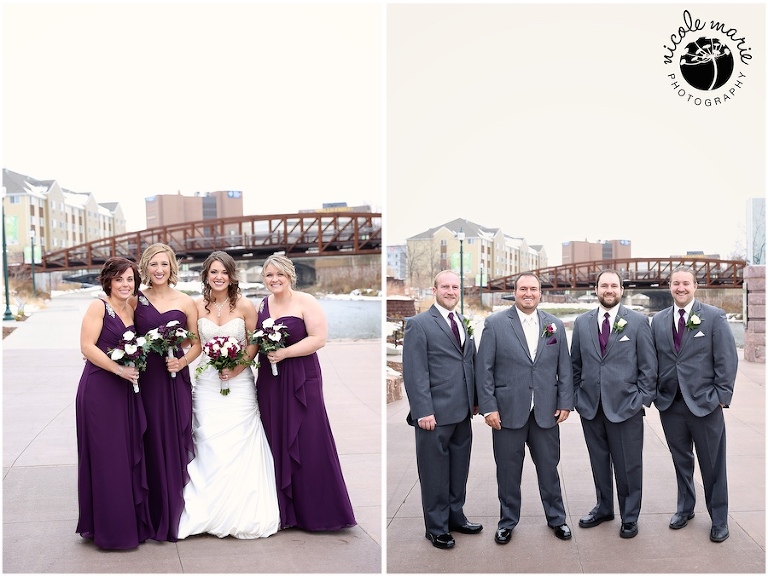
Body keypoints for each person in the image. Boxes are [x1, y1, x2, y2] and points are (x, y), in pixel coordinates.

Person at [177, 251, 280, 539]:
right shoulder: (197, 307)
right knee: (208, 439)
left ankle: (241, 510)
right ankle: (206, 510)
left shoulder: (246, 306)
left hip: (240, 384)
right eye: (213, 272)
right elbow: (191, 341)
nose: (218, 277)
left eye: (223, 272)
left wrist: (237, 368)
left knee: (240, 439)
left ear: (232, 275)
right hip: (208, 382)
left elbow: (253, 344)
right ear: (206, 276)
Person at [255, 253, 356, 531]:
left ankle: (320, 512)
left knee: (309, 436)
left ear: (290, 276)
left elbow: (319, 339)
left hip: (302, 378)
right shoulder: (262, 304)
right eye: (269, 275)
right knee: (276, 435)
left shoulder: (305, 301)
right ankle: (286, 511)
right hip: (270, 380)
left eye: (280, 275)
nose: (274, 280)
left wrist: (285, 352)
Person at [476, 272, 573, 544]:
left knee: (549, 469)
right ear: (514, 292)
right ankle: (507, 521)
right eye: (522, 289)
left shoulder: (554, 325)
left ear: (540, 293)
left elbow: (563, 367)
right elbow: (484, 370)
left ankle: (557, 519)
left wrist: (565, 401)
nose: (528, 293)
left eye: (533, 289)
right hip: (507, 413)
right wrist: (489, 408)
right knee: (507, 471)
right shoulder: (495, 324)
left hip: (546, 411)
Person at [651, 265, 737, 543]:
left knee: (712, 465)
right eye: (676, 283)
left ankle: (719, 519)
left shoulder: (713, 317)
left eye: (686, 283)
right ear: (669, 287)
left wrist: (721, 397)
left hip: (705, 404)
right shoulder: (659, 320)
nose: (681, 288)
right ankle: (685, 508)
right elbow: (656, 360)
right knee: (681, 461)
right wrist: (655, 394)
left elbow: (727, 360)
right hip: (671, 404)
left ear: (695, 286)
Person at [570, 269, 657, 539]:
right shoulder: (582, 323)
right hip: (591, 406)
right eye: (604, 285)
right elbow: (575, 364)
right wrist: (576, 396)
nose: (609, 290)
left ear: (622, 290)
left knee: (628, 465)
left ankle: (629, 516)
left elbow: (649, 366)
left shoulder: (639, 321)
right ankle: (604, 507)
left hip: (626, 407)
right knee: (598, 462)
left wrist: (640, 398)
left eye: (614, 286)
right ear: (595, 289)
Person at [401, 270, 482, 550]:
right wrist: (423, 410)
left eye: (455, 287)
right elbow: (415, 371)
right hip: (433, 415)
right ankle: (436, 528)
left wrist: (475, 400)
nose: (450, 291)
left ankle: (455, 517)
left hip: (462, 413)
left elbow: (468, 362)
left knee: (459, 470)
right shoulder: (419, 324)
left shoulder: (461, 320)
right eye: (445, 286)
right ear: (434, 289)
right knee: (434, 473)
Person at [75, 257, 152, 549]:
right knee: (108, 458)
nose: (125, 284)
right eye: (119, 279)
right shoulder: (99, 306)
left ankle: (128, 521)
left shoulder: (131, 307)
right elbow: (86, 346)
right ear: (108, 281)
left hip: (126, 391)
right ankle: (110, 530)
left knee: (126, 453)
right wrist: (119, 369)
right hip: (100, 390)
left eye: (130, 279)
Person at [132, 243, 201, 541]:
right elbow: (120, 330)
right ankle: (148, 514)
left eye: (164, 264)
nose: (159, 270)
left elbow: (197, 342)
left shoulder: (186, 302)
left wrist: (182, 360)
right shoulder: (135, 299)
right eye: (153, 264)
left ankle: (174, 512)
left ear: (172, 267)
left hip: (173, 379)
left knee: (172, 438)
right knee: (146, 437)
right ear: (145, 267)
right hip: (145, 380)